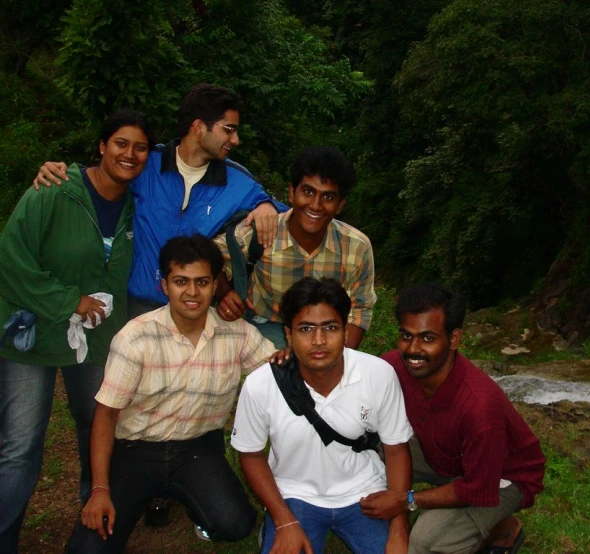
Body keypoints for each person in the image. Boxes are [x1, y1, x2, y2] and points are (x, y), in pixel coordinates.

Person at [0, 111, 155, 554]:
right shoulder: (54, 191)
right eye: (120, 143)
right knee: (21, 446)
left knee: (97, 423)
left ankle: (96, 508)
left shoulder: (134, 207)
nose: (129, 154)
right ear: (102, 146)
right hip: (31, 337)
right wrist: (69, 300)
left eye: (140, 147)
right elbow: (10, 259)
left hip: (94, 342)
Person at [66, 235, 276, 553]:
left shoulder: (237, 334)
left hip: (197, 449)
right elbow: (106, 415)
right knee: (88, 549)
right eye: (181, 281)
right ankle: (149, 493)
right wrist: (99, 489)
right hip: (134, 450)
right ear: (164, 285)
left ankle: (188, 496)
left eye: (202, 282)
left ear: (214, 285)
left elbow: (278, 374)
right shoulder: (135, 337)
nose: (192, 292)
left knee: (235, 523)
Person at [33, 83, 288, 318]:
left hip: (190, 309)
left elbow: (297, 215)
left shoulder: (237, 181)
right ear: (199, 127)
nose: (235, 140)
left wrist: (266, 205)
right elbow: (101, 178)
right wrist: (65, 172)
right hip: (129, 304)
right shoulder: (147, 163)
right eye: (228, 130)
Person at [361, 283, 546, 554]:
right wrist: (293, 360)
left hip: (498, 476)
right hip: (445, 454)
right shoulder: (393, 366)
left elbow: (475, 487)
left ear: (454, 339)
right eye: (406, 335)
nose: (413, 349)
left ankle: (501, 529)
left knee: (426, 542)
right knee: (365, 451)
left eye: (428, 338)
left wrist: (405, 500)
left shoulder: (480, 409)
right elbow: (348, 375)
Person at [232, 277, 412, 553]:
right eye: (305, 329)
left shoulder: (378, 375)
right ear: (288, 334)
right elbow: (251, 455)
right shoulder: (261, 385)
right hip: (294, 496)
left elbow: (397, 450)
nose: (319, 341)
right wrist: (284, 521)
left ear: (345, 330)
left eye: (330, 327)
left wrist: (399, 529)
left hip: (366, 492)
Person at [214, 146, 375, 350]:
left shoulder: (357, 246)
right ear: (292, 192)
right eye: (308, 192)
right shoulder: (261, 231)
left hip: (323, 331)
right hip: (266, 325)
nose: (316, 205)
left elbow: (360, 309)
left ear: (340, 205)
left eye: (328, 197)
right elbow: (206, 259)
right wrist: (224, 293)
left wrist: (341, 359)